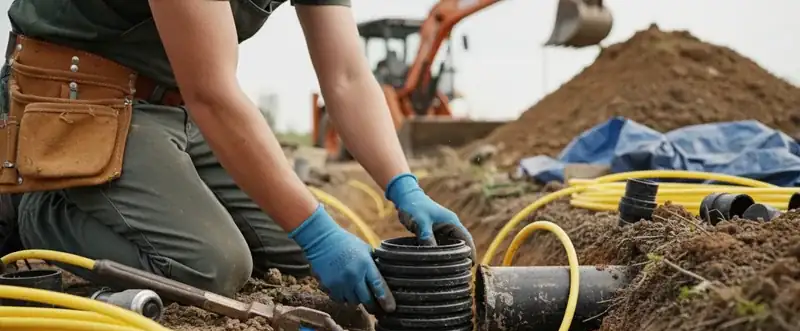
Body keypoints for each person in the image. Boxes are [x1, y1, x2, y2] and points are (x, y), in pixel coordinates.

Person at [0, 0, 475, 314]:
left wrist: (403, 185)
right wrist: (317, 230)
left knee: (291, 253)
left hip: (171, 106)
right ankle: (43, 207)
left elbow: (348, 76)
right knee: (214, 267)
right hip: (80, 98)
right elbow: (213, 91)